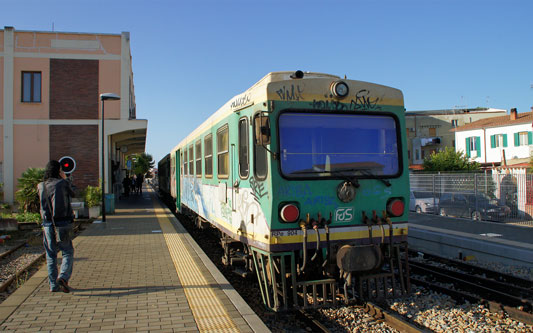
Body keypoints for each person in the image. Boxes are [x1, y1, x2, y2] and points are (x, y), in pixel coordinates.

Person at [38, 160, 75, 293]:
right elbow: (73, 193)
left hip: (47, 224)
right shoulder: (62, 183)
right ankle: (63, 277)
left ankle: (53, 286)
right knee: (67, 251)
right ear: (58, 171)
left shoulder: (41, 186)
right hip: (63, 223)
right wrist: (66, 179)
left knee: (51, 255)